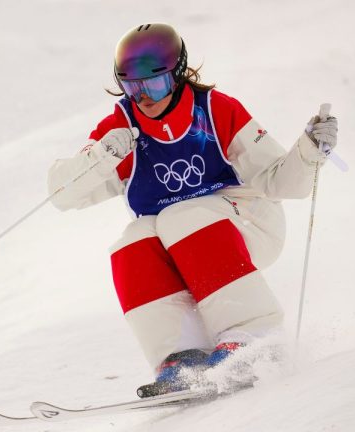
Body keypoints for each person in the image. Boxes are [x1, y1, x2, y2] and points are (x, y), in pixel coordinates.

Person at [47, 23, 338, 396]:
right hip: (183, 250)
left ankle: (254, 338)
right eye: (132, 87)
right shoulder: (122, 128)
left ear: (178, 74)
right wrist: (101, 156)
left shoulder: (216, 111)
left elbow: (279, 182)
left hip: (248, 226)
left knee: (181, 215)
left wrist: (309, 151)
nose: (144, 98)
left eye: (154, 85)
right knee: (132, 241)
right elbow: (62, 195)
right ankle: (182, 358)